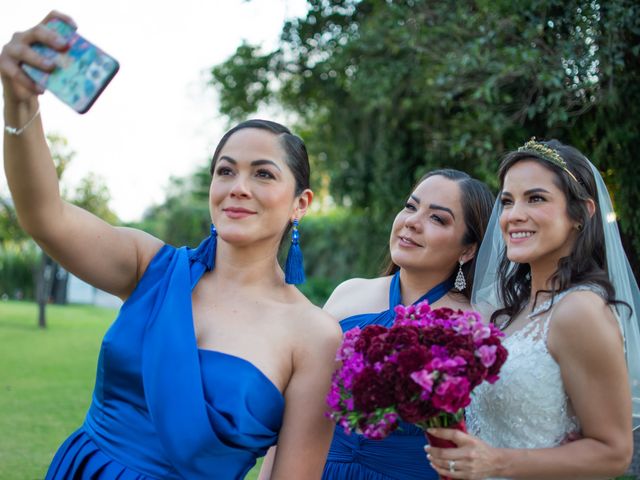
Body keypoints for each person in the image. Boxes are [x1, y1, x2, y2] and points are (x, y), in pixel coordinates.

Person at [1, 11, 342, 480]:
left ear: (300, 203)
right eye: (226, 171)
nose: (238, 187)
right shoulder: (150, 268)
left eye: (262, 173)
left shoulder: (316, 337)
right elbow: (44, 216)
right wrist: (19, 103)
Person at [260, 169, 494, 479]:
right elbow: (298, 408)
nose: (411, 221)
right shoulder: (349, 293)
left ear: (469, 249)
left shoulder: (475, 323)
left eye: (437, 218)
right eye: (411, 207)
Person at [427, 139, 636, 479]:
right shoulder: (510, 311)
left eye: (536, 198)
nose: (513, 215)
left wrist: (495, 462)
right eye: (507, 201)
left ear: (581, 214)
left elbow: (613, 453)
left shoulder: (579, 311)